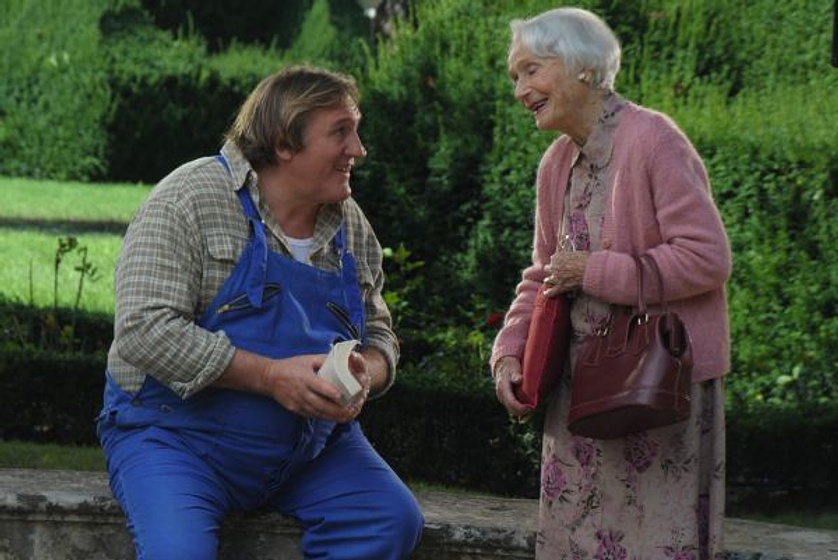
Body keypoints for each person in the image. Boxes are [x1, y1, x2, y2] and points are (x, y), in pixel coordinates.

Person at [97, 65, 424, 560]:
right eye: (341, 132)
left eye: (355, 130)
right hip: (175, 439)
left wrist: (367, 371)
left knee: (389, 521)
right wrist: (273, 378)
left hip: (310, 452)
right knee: (178, 552)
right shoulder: (189, 199)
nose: (359, 149)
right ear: (283, 142)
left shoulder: (351, 226)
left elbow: (379, 331)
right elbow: (144, 331)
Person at [492, 8, 731, 560]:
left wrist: (596, 272)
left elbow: (708, 257)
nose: (520, 89)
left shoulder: (654, 140)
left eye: (531, 70)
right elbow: (541, 274)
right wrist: (509, 354)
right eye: (514, 78)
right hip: (581, 394)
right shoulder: (555, 163)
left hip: (655, 387)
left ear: (581, 68)